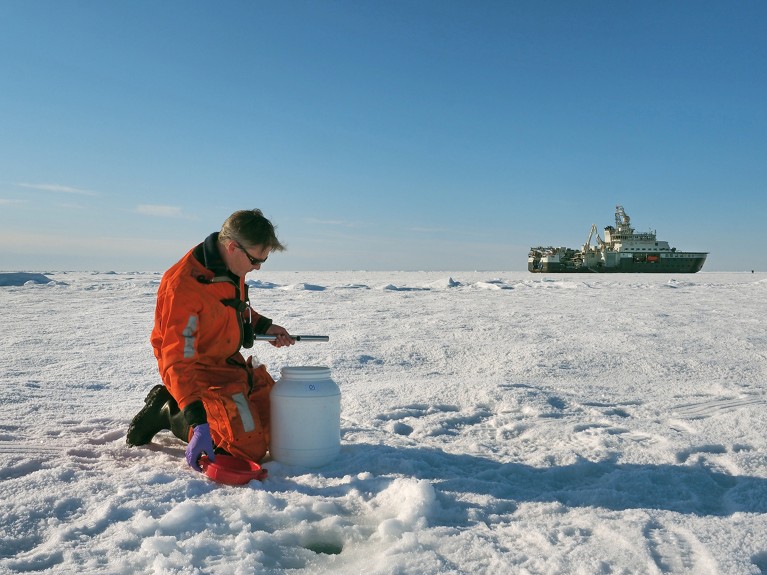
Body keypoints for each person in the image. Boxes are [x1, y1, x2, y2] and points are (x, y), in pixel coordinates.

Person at [126, 209, 295, 472]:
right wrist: (198, 421)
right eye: (254, 259)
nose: (258, 267)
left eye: (263, 260)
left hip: (230, 367)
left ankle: (219, 411)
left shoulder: (228, 266)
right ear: (232, 247)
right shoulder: (184, 286)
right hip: (200, 373)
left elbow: (231, 308)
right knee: (248, 448)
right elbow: (177, 360)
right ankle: (171, 411)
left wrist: (265, 326)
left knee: (282, 432)